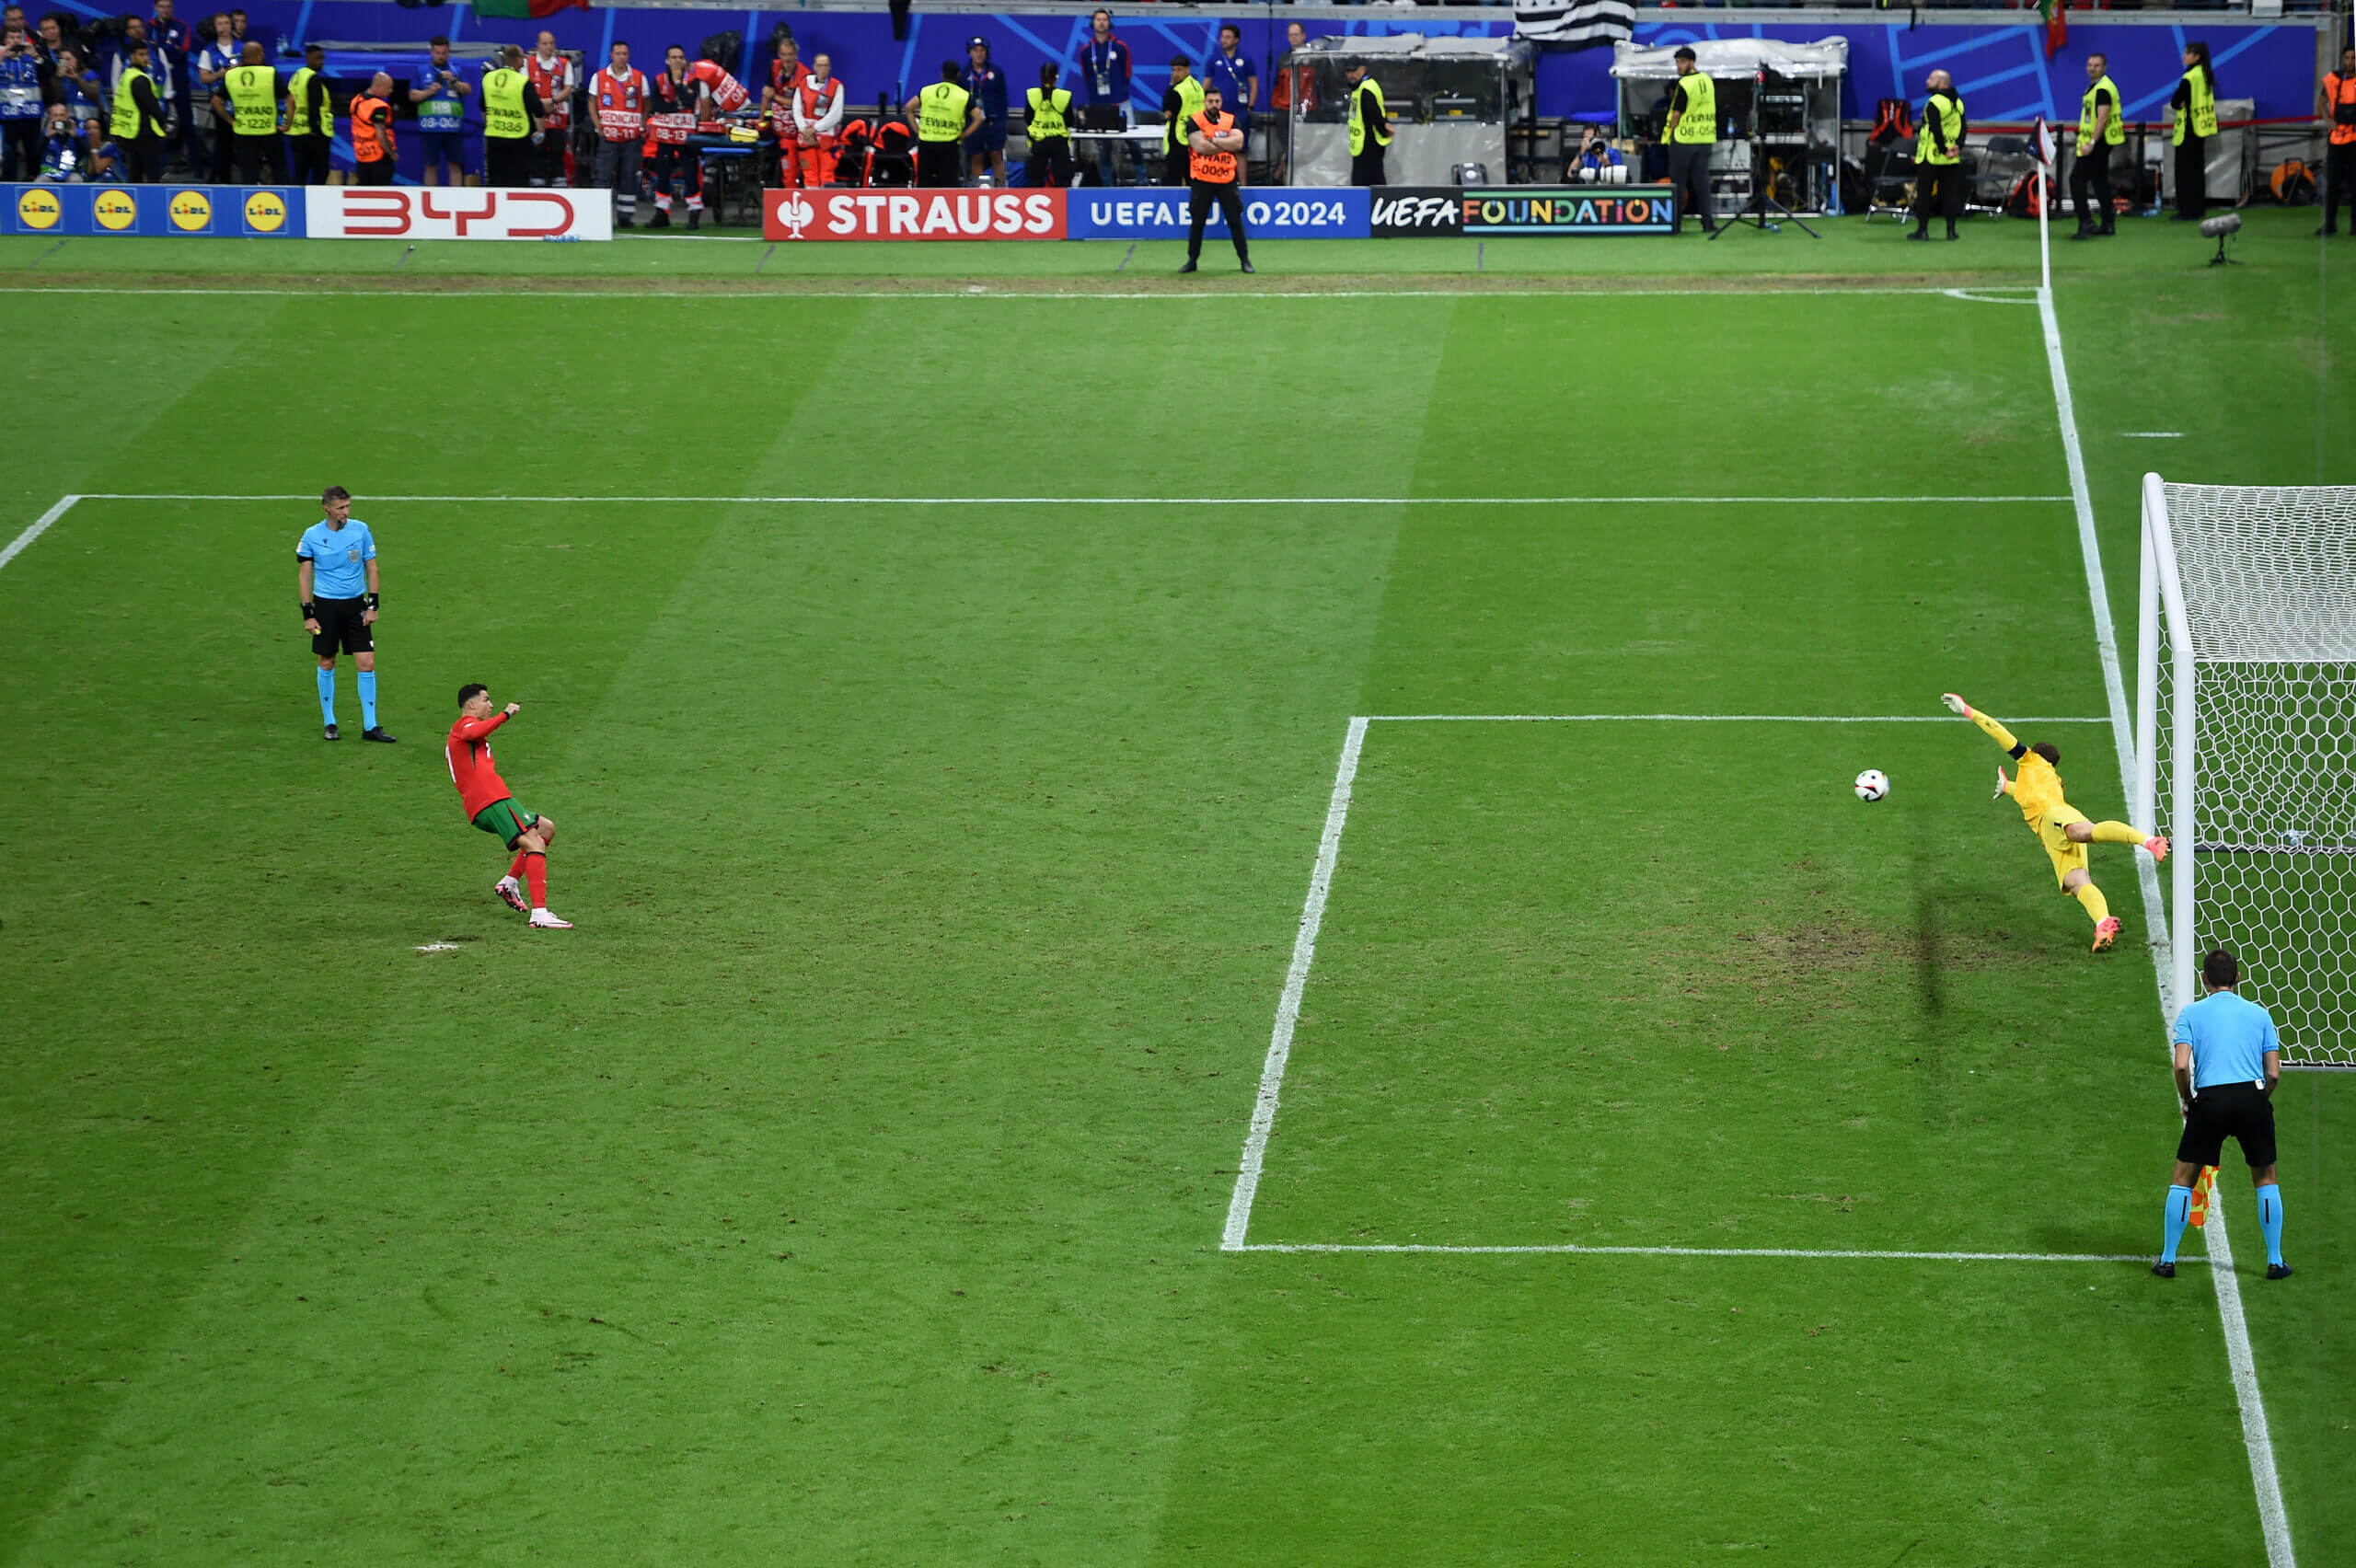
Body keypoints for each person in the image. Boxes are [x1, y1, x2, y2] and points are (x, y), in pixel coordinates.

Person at [1940, 694, 2167, 951]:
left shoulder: (2031, 761)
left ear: (2036, 754)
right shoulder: (2044, 779)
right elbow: (2027, 795)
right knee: (2077, 882)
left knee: (2083, 832)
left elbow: (2000, 733)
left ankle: (2149, 841)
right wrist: (2007, 786)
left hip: (2055, 817)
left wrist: (1967, 710)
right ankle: (2103, 923)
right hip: (2051, 833)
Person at [2155, 947, 2289, 1281]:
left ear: (2204, 979)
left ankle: (2168, 1260)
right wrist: (2258, 1100)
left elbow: (2182, 1065)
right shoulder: (2260, 1015)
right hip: (2251, 1097)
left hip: (2211, 1101)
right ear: (2238, 978)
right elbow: (2273, 1073)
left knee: (2183, 1176)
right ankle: (2274, 1260)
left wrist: (2188, 1099)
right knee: (2265, 1177)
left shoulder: (2191, 1014)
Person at [446, 685, 572, 930]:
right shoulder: (463, 726)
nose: (490, 705)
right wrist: (505, 715)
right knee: (533, 842)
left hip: (495, 797)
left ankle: (509, 883)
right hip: (489, 799)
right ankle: (540, 914)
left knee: (546, 830)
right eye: (486, 700)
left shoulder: (469, 731)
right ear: (471, 705)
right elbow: (476, 731)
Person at [296, 486, 392, 744]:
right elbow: (305, 575)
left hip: (355, 606)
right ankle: (330, 722)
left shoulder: (360, 530)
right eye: (340, 508)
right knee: (327, 662)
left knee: (367, 662)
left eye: (348, 506)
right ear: (326, 509)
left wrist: (373, 605)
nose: (345, 512)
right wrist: (308, 613)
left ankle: (370, 726)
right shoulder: (312, 536)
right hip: (325, 607)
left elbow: (371, 568)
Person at [1179, 84, 1250, 275]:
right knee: (1198, 222)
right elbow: (1200, 147)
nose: (1214, 104)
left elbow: (1239, 142)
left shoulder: (1231, 120)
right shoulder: (1194, 120)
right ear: (1204, 102)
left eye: (1217, 101)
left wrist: (1214, 141)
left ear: (1221, 102)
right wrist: (1226, 144)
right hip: (1202, 179)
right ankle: (1192, 260)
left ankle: (1244, 260)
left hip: (1227, 179)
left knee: (1235, 221)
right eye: (1210, 101)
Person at [644, 44, 703, 227]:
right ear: (667, 61)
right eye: (674, 57)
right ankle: (662, 214)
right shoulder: (659, 80)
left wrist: (678, 84)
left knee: (690, 172)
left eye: (681, 57)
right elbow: (656, 106)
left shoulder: (693, 80)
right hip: (665, 134)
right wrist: (676, 107)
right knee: (662, 173)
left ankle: (694, 214)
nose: (678, 61)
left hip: (686, 136)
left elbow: (690, 101)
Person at [588, 40, 646, 225]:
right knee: (602, 176)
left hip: (631, 139)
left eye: (624, 54)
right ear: (611, 55)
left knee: (629, 176)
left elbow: (647, 102)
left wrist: (642, 124)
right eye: (618, 53)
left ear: (628, 56)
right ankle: (598, 216)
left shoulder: (638, 77)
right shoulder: (599, 77)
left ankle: (625, 217)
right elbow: (591, 102)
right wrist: (598, 125)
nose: (621, 56)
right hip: (608, 138)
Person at [1660, 47, 1715, 234]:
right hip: (1704, 138)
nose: (1679, 66)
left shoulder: (1685, 84)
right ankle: (1708, 224)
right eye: (1677, 62)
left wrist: (1671, 131)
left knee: (1678, 184)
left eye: (1682, 62)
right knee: (1702, 183)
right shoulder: (1707, 80)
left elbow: (1677, 113)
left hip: (1683, 140)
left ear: (1691, 62)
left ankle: (1675, 225)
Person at [2068, 52, 2121, 240]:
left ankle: (2086, 222)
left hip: (2099, 142)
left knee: (2076, 179)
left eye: (2096, 65)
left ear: (2104, 67)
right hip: (2103, 141)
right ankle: (2108, 224)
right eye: (2090, 64)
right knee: (2100, 181)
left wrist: (2091, 143)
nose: (2092, 68)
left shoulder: (2102, 89)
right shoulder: (2097, 87)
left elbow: (2103, 118)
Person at [480, 43, 548, 189]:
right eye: (523, 57)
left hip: (494, 137)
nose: (524, 60)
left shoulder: (488, 78)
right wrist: (541, 132)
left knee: (496, 180)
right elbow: (537, 109)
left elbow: (483, 108)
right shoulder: (522, 81)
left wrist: (490, 126)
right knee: (518, 181)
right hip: (519, 139)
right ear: (517, 59)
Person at [1911, 68, 1966, 242]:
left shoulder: (1934, 102)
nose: (1927, 81)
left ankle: (1923, 231)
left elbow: (1935, 129)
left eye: (1932, 79)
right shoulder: (1958, 103)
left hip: (1931, 156)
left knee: (1925, 194)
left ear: (1942, 83)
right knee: (1949, 195)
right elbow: (1963, 128)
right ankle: (1951, 231)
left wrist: (1943, 149)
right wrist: (1957, 147)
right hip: (1952, 158)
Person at [409, 34, 469, 188]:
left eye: (444, 53)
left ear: (449, 52)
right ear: (432, 52)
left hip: (453, 127)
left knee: (455, 166)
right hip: (430, 127)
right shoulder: (421, 70)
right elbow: (412, 95)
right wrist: (429, 92)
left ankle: (456, 199)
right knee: (431, 166)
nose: (441, 56)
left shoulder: (456, 69)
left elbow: (468, 89)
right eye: (438, 53)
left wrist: (454, 81)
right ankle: (430, 199)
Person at [214, 39, 276, 184]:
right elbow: (289, 99)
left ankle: (248, 193)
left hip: (243, 130)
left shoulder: (232, 75)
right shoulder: (269, 73)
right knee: (277, 169)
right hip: (267, 129)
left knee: (248, 173)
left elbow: (216, 101)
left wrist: (231, 121)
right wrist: (287, 124)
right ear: (259, 56)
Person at [908, 58, 976, 189]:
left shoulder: (926, 91)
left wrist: (917, 129)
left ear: (942, 74)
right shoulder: (963, 95)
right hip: (949, 143)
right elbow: (979, 117)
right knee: (949, 183)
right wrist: (964, 134)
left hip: (926, 142)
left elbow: (909, 107)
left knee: (925, 183)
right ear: (958, 75)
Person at [2167, 42, 2216, 222]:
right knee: (2196, 171)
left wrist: (2178, 102)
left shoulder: (2190, 77)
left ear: (2196, 56)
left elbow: (2176, 101)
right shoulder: (2205, 75)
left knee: (2184, 172)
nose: (2184, 57)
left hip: (2188, 129)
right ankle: (2197, 209)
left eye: (2187, 53)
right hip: (2201, 128)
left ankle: (2185, 211)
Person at [149, 0, 198, 174]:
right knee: (158, 125)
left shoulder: (181, 26)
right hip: (157, 84)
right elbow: (149, 52)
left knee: (188, 125)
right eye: (162, 6)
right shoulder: (149, 27)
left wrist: (161, 47)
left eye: (168, 6)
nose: (165, 10)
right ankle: (159, 169)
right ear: (155, 8)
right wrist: (169, 47)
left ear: (173, 8)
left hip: (179, 83)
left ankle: (196, 170)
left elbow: (183, 51)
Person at [110, 38, 166, 181]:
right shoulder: (140, 79)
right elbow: (151, 106)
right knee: (152, 174)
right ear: (132, 56)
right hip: (144, 132)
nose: (145, 58)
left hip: (130, 132)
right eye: (141, 55)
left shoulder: (126, 76)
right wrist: (163, 121)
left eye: (146, 54)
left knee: (135, 175)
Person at [784, 52, 843, 190]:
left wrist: (815, 129)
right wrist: (805, 130)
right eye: (820, 65)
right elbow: (796, 109)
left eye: (826, 65)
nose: (823, 68)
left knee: (827, 174)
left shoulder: (837, 86)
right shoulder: (803, 84)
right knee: (809, 173)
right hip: (806, 137)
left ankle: (827, 207)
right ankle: (812, 206)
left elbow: (836, 113)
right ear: (814, 67)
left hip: (827, 139)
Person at [525, 31, 574, 187]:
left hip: (557, 118)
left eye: (551, 43)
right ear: (538, 45)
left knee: (557, 152)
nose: (548, 47)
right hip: (535, 118)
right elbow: (524, 87)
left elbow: (568, 89)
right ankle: (536, 185)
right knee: (536, 151)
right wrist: (539, 105)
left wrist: (551, 101)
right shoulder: (528, 63)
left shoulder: (565, 64)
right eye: (545, 43)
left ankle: (559, 185)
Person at [1203, 23, 1253, 173]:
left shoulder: (1246, 59)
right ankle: (1219, 180)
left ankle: (1243, 186)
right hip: (1218, 113)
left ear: (1236, 39)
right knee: (1218, 147)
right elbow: (1206, 84)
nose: (1223, 40)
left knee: (1240, 150)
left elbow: (1254, 82)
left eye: (1228, 37)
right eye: (1222, 37)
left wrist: (1250, 106)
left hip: (1240, 111)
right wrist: (1202, 105)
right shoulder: (1214, 59)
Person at [2316, 44, 2353, 236]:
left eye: (2353, 58)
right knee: (2333, 183)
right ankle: (2330, 224)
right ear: (2342, 59)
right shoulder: (2333, 79)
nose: (2350, 61)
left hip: (2355, 137)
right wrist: (2328, 120)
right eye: (2347, 58)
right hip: (2337, 137)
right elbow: (2321, 102)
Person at [960, 34, 1006, 185]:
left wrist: (1002, 122)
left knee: (996, 155)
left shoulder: (996, 71)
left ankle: (1000, 189)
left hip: (994, 122)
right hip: (973, 123)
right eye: (975, 50)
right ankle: (979, 191)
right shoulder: (964, 73)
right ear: (969, 53)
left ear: (986, 52)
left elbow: (1002, 98)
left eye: (981, 50)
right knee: (976, 156)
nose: (979, 54)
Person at [282, 41, 329, 186]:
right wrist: (315, 129)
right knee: (320, 172)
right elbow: (314, 106)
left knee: (300, 173)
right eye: (317, 58)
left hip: (296, 131)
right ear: (308, 57)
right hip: (312, 134)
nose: (321, 62)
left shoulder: (297, 75)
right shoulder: (313, 78)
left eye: (322, 58)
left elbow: (291, 101)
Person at [192, 9, 232, 176]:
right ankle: (223, 179)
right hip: (221, 103)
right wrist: (218, 75)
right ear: (215, 28)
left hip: (244, 102)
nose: (224, 26)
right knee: (223, 142)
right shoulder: (208, 51)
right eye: (220, 24)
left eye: (227, 23)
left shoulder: (243, 47)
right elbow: (204, 78)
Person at [0, 19, 40, 180]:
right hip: (7, 113)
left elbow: (49, 74)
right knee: (9, 150)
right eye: (11, 37)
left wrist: (35, 55)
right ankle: (10, 181)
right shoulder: (0, 57)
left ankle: (34, 179)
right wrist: (2, 58)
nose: (15, 41)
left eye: (18, 37)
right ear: (6, 40)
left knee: (33, 150)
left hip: (31, 112)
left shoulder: (32, 56)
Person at [1022, 61, 1071, 190]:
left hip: (1038, 142)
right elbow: (1070, 121)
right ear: (1056, 77)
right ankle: (1063, 207)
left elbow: (1028, 118)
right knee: (1063, 181)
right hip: (1059, 143)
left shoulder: (1032, 95)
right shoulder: (1064, 96)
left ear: (1041, 77)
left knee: (1035, 179)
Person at [1075, 8, 1127, 123]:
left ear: (1109, 23)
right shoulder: (1086, 50)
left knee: (1129, 137)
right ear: (1093, 23)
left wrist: (1119, 87)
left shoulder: (1120, 47)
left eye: (1104, 19)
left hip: (1120, 100)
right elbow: (1086, 74)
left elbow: (1127, 72)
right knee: (1100, 137)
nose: (1101, 22)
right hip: (1097, 101)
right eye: (1098, 19)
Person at [1157, 55, 1201, 187]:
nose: (1175, 74)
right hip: (1195, 137)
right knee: (1192, 178)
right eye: (1173, 70)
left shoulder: (1177, 91)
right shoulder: (1197, 86)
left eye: (1179, 70)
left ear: (1187, 69)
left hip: (1178, 138)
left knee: (1174, 179)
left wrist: (1171, 86)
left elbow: (1167, 113)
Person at [1345, 60, 1391, 189]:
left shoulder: (1365, 89)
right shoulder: (1361, 87)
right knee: (1373, 178)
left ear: (1363, 70)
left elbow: (1375, 114)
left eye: (1354, 71)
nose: (1351, 75)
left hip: (1368, 141)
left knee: (1367, 181)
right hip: (1363, 142)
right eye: (1348, 71)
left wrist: (1384, 128)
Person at [349, 69, 393, 183]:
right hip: (380, 156)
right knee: (381, 192)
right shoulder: (378, 106)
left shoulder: (356, 100)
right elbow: (381, 134)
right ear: (380, 86)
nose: (390, 91)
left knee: (364, 191)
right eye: (389, 88)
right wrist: (391, 153)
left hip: (362, 154)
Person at [35, 101, 87, 179]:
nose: (59, 118)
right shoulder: (44, 134)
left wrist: (75, 137)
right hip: (49, 172)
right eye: (55, 115)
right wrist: (47, 137)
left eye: (62, 115)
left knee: (76, 180)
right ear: (50, 117)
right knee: (41, 181)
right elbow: (35, 154)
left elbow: (86, 153)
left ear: (67, 116)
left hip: (71, 171)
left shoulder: (80, 134)